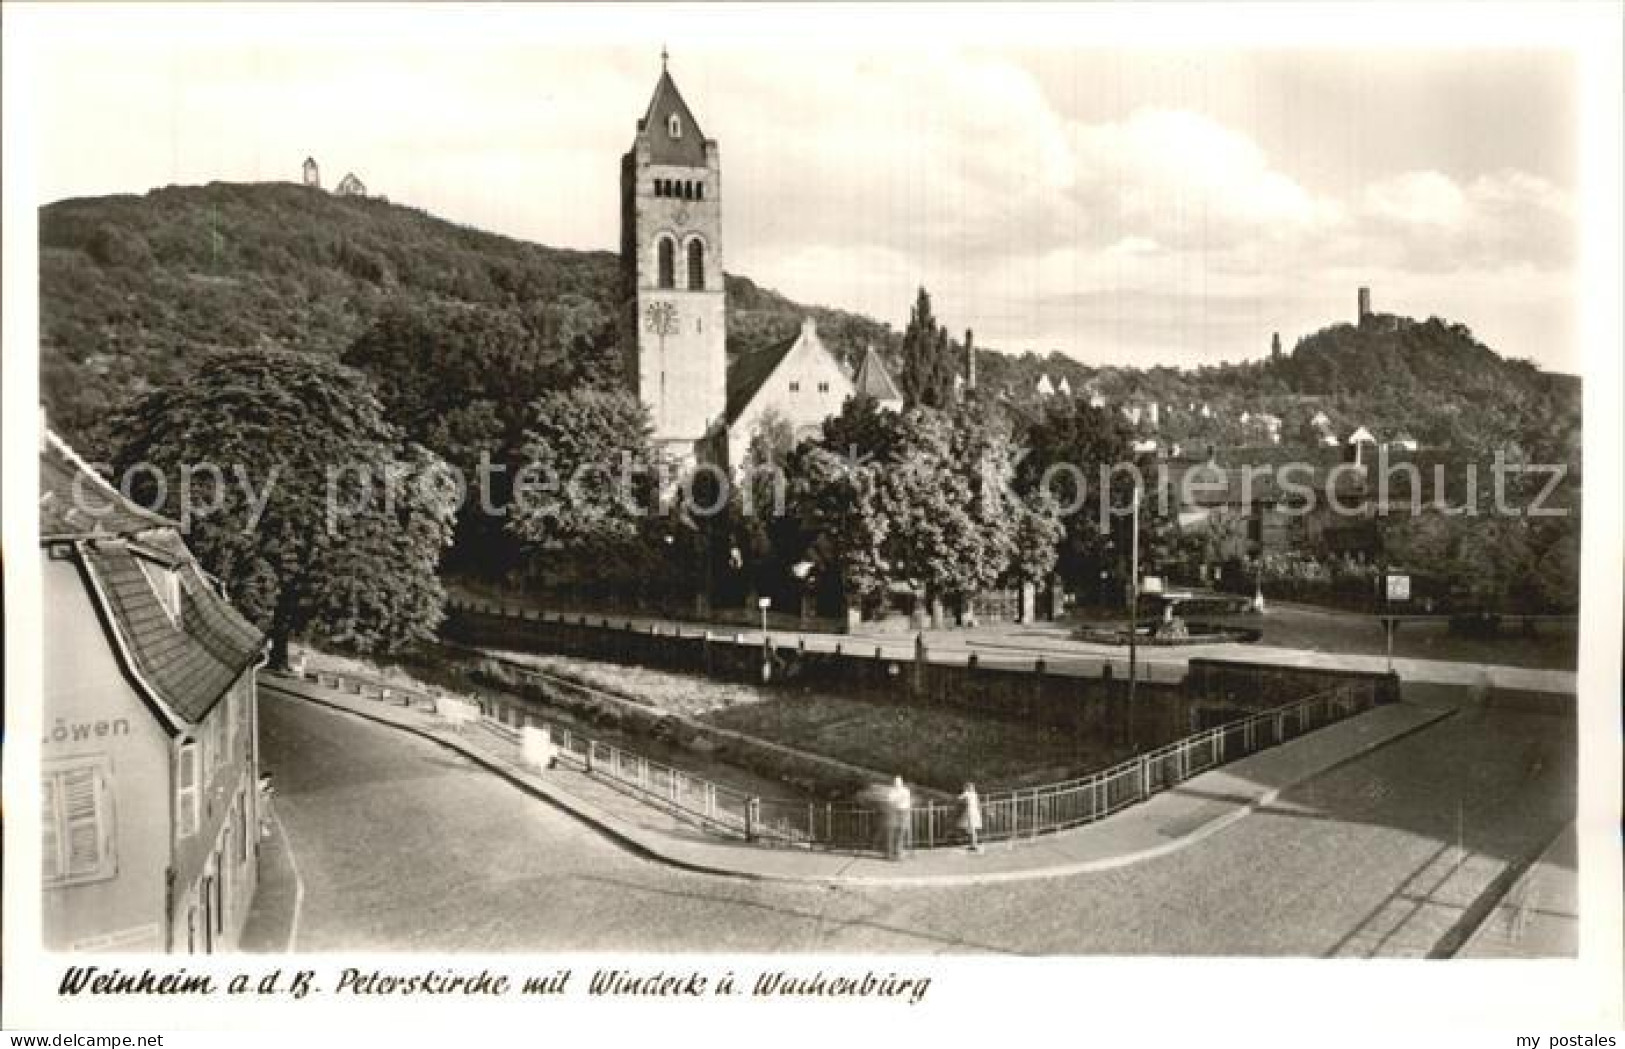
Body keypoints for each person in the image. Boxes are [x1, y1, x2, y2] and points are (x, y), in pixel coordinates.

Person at [888, 776, 913, 860]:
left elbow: (892, 801)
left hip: (900, 811)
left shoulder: (903, 791)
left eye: (898, 783)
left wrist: (896, 800)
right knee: (896, 832)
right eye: (896, 783)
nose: (897, 784)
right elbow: (891, 801)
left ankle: (896, 853)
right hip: (898, 811)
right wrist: (899, 800)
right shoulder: (895, 791)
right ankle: (894, 853)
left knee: (899, 832)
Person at [957, 782, 983, 853]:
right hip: (975, 811)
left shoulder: (967, 793)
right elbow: (978, 803)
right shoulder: (975, 794)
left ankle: (974, 845)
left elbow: (959, 798)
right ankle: (973, 844)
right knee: (972, 829)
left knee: (971, 829)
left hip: (970, 811)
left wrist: (963, 794)